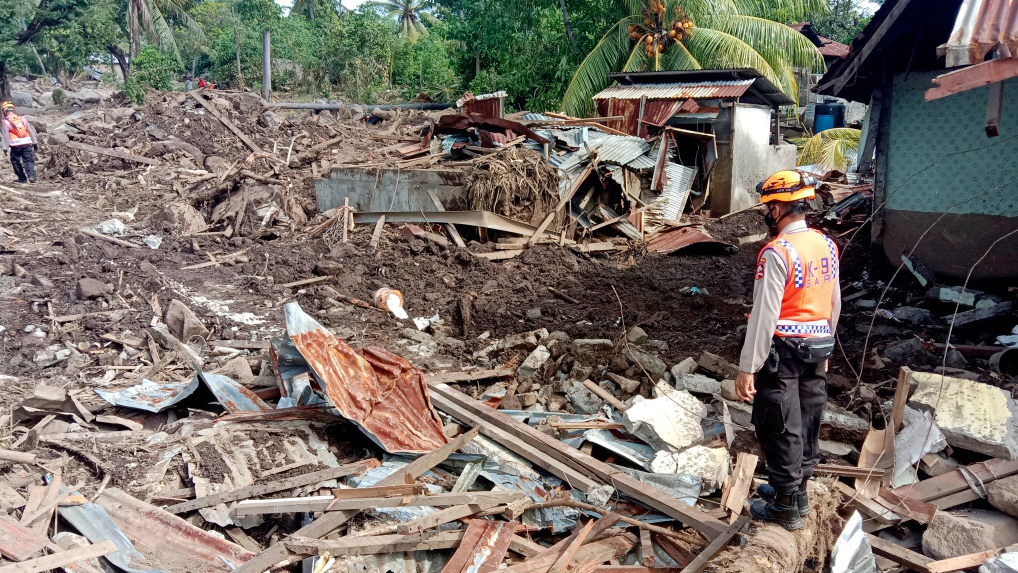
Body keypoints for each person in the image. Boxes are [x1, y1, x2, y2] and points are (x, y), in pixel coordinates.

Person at [735, 169, 841, 530]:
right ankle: (799, 493)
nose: (766, 215)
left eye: (768, 208)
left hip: (783, 352)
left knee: (778, 424)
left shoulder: (777, 252)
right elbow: (833, 303)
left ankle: (784, 506)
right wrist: (826, 349)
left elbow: (764, 315)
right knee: (810, 418)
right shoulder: (826, 244)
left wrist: (748, 366)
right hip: (817, 346)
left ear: (779, 209)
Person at [1, 101, 39, 184]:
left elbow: (5, 135)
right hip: (27, 143)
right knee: (28, 160)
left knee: (15, 161)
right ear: (13, 110)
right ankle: (31, 176)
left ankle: (22, 178)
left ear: (4, 111)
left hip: (15, 145)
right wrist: (35, 142)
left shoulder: (5, 122)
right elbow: (30, 130)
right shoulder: (22, 118)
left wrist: (5, 148)